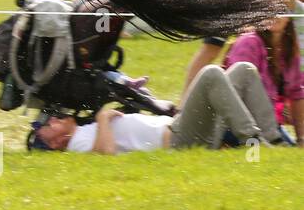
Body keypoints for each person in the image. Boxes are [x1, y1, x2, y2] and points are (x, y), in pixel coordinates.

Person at [30, 63, 282, 153]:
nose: (52, 120)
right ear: (54, 145)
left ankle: (275, 142)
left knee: (244, 70)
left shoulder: (83, 129)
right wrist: (104, 119)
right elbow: (104, 155)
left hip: (183, 128)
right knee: (211, 74)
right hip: (179, 140)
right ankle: (254, 141)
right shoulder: (76, 145)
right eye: (47, 126)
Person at [223, 13, 303, 145]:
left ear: (289, 16)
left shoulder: (289, 49)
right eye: (269, 9)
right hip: (238, 126)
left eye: (281, 10)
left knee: (289, 153)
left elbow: (297, 93)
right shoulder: (248, 42)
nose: (275, 15)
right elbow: (235, 92)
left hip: (268, 125)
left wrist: (301, 139)